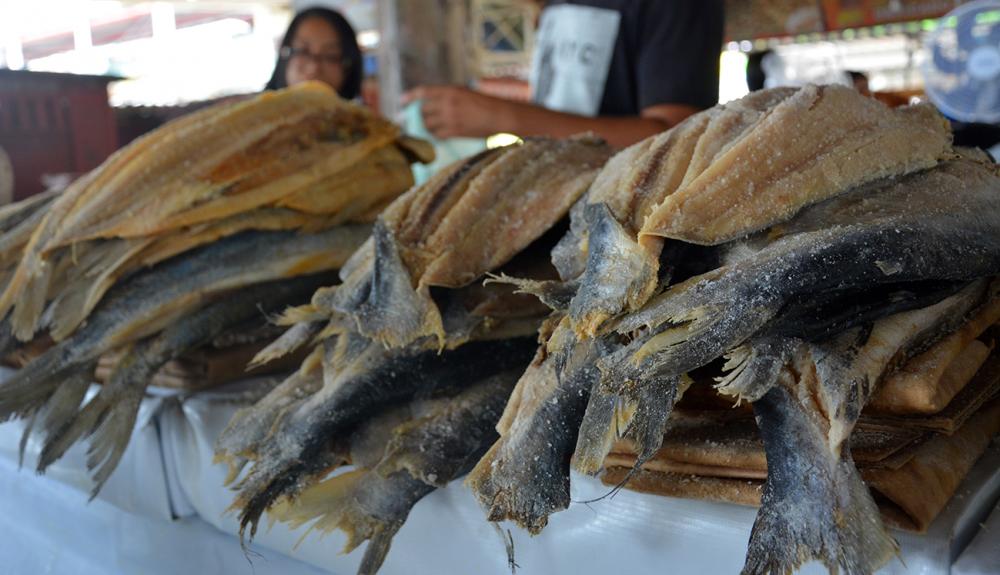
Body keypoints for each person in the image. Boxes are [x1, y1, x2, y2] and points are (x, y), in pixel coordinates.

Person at [403, 1, 723, 148]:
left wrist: (504, 117)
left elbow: (678, 139)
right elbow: (565, 102)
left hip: (631, 231)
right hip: (559, 206)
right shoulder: (552, 6)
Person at [265, 7, 362, 100]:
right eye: (303, 51)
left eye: (331, 56)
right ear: (285, 54)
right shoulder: (255, 114)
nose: (313, 67)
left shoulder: (359, 116)